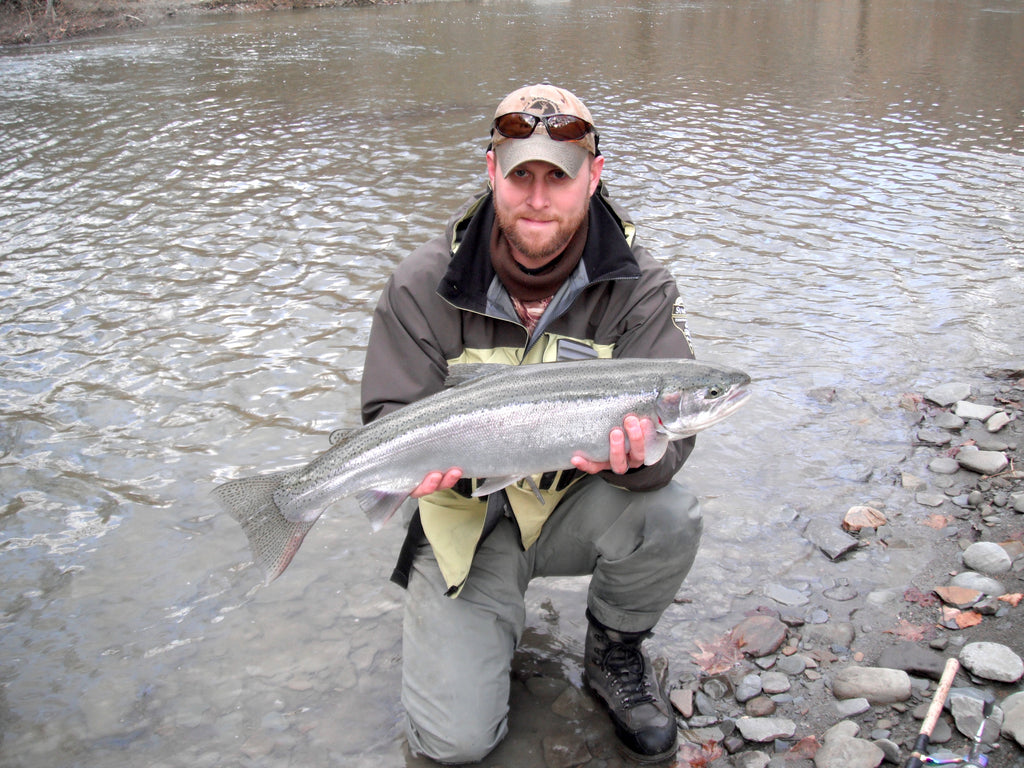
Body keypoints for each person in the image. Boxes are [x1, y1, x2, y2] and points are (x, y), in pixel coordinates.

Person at [361, 83, 702, 764]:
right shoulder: (420, 285)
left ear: (594, 177)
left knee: (671, 511)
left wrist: (642, 460)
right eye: (521, 176)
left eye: (559, 177)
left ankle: (614, 651)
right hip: (466, 523)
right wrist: (417, 473)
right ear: (492, 172)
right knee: (452, 747)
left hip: (580, 508)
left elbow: (676, 443)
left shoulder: (640, 285)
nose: (538, 198)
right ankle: (483, 624)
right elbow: (386, 417)